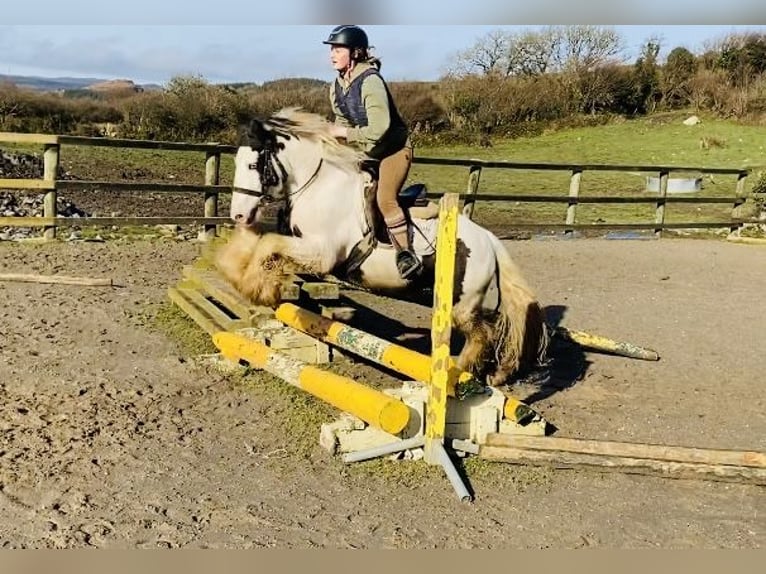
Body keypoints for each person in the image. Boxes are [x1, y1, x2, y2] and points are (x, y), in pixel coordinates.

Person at [323, 25, 422, 280]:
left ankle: (405, 255)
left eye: (338, 49)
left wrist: (343, 135)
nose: (332, 54)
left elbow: (379, 128)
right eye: (331, 49)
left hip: (393, 150)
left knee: (384, 199)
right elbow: (342, 122)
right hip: (367, 150)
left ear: (355, 53)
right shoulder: (336, 86)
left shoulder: (371, 81)